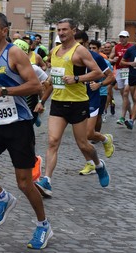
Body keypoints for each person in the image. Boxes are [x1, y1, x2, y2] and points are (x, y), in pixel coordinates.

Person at [0, 12, 51, 250]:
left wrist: (4, 91)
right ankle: (3, 197)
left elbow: (35, 85)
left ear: (4, 31)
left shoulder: (14, 53)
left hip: (20, 124)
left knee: (25, 183)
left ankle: (43, 225)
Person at [35, 18, 109, 198]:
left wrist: (77, 79)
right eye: (58, 30)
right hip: (59, 103)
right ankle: (47, 181)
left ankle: (99, 165)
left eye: (64, 30)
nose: (60, 33)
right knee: (53, 141)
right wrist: (46, 89)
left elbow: (98, 73)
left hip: (78, 103)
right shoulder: (55, 51)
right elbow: (57, 75)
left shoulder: (80, 51)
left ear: (73, 30)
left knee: (83, 144)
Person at [73, 32, 115, 175]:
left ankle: (105, 138)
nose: (76, 46)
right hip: (75, 99)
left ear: (85, 43)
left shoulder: (96, 58)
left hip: (92, 99)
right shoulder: (70, 57)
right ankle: (90, 163)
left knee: (89, 134)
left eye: (79, 43)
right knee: (80, 137)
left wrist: (99, 85)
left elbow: (110, 76)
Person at [109, 31, 132, 124]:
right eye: (120, 37)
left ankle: (122, 117)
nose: (122, 39)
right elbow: (109, 58)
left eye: (124, 37)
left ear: (127, 38)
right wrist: (112, 59)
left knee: (126, 93)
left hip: (129, 71)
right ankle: (131, 114)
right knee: (124, 96)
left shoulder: (131, 47)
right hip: (119, 71)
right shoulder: (116, 47)